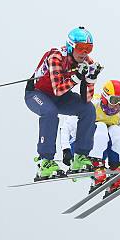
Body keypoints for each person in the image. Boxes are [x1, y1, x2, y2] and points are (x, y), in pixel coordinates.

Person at [25, 26, 103, 180]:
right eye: (81, 48)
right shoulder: (56, 57)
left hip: (60, 98)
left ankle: (80, 157)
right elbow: (57, 90)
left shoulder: (87, 62)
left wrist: (91, 78)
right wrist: (76, 77)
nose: (84, 53)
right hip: (37, 94)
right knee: (50, 112)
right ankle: (45, 161)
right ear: (71, 46)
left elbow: (87, 98)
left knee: (88, 109)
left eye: (89, 48)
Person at [59, 80, 120, 197]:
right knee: (101, 126)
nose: (118, 104)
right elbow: (65, 127)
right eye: (114, 100)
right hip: (79, 149)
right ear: (105, 97)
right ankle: (96, 167)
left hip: (101, 149)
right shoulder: (91, 106)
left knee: (116, 130)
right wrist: (66, 150)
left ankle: (117, 170)